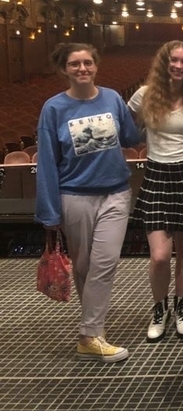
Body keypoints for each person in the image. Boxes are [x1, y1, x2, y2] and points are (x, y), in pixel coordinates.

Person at [35, 42, 141, 363]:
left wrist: (151, 109)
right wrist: (49, 212)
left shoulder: (112, 99)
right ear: (64, 69)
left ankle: (88, 335)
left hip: (116, 193)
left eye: (87, 63)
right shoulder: (54, 109)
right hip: (75, 196)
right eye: (74, 64)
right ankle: (94, 332)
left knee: (104, 263)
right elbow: (47, 164)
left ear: (96, 65)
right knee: (83, 267)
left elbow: (131, 138)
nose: (82, 68)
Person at [128, 40, 183, 342]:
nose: (178, 66)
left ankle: (182, 308)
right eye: (173, 60)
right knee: (160, 256)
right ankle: (159, 309)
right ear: (164, 63)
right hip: (157, 174)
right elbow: (123, 127)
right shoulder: (144, 94)